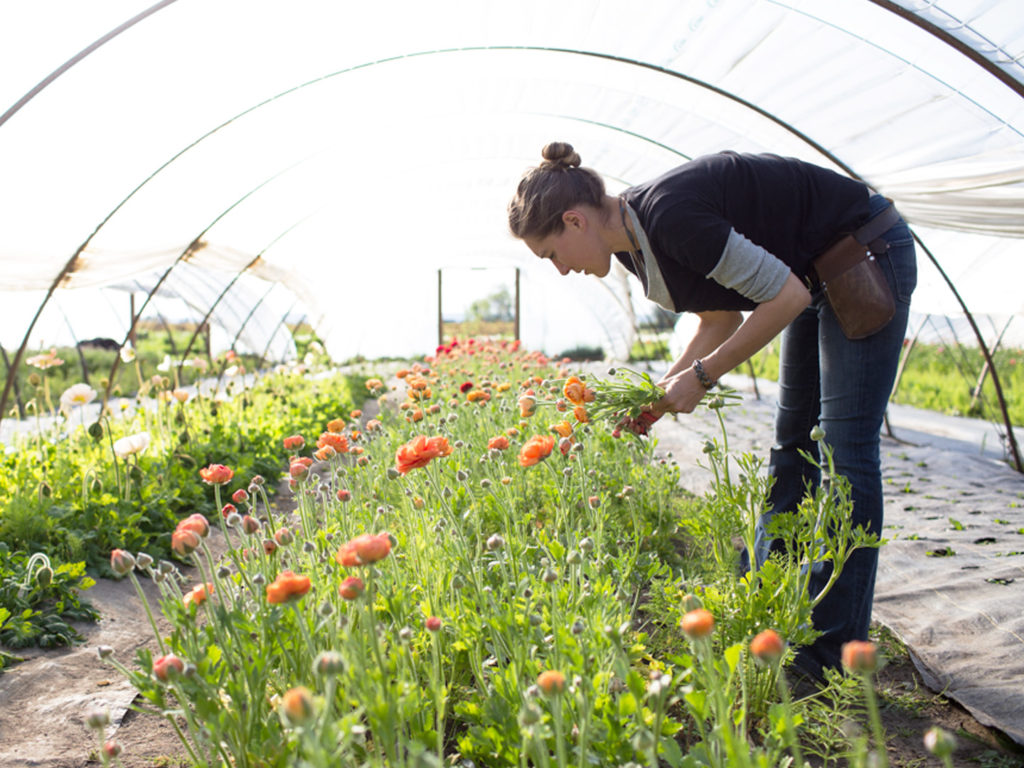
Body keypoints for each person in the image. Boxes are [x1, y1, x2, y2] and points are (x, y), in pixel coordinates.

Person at [507, 142, 917, 682]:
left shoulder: (670, 216)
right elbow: (718, 320)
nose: (560, 271)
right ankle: (775, 606)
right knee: (792, 439)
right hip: (813, 276)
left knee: (844, 449)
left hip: (864, 254)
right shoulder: (634, 246)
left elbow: (784, 297)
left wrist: (702, 378)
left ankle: (833, 652)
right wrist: (657, 397)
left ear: (574, 220)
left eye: (552, 255)